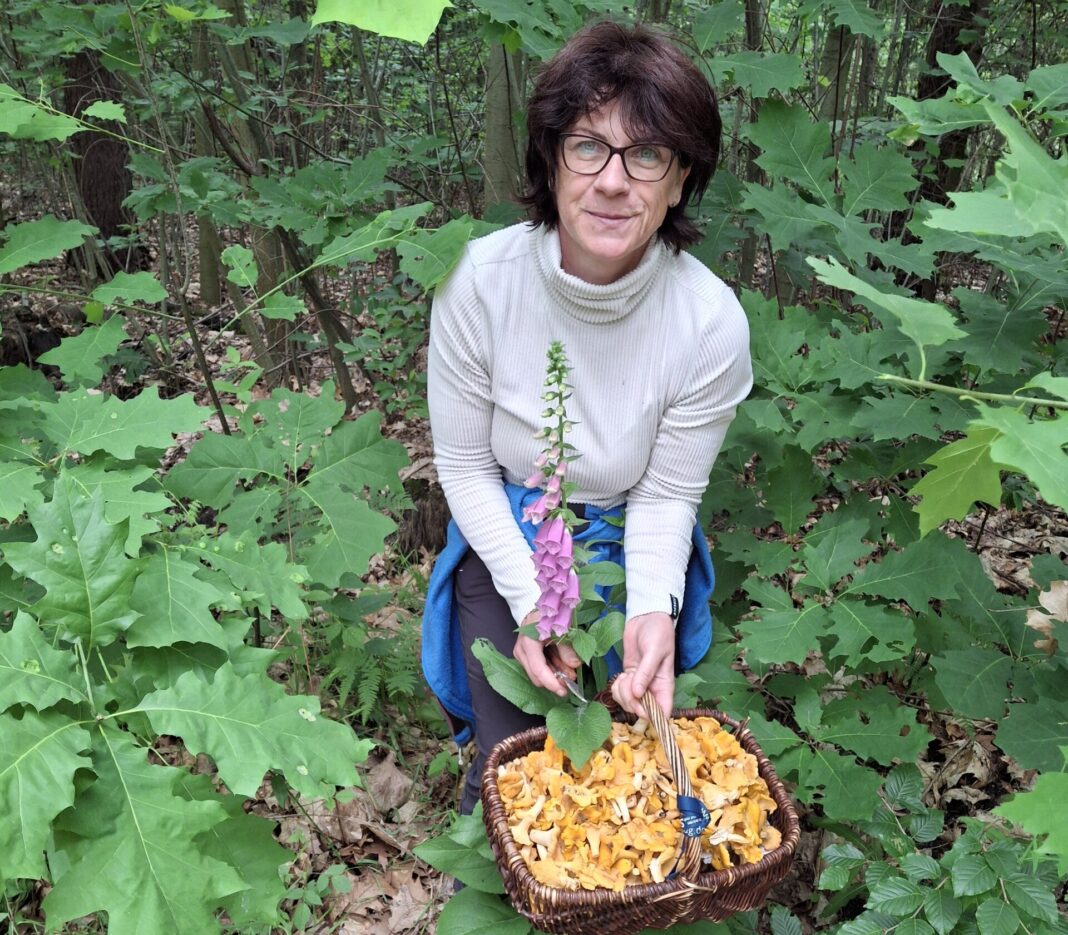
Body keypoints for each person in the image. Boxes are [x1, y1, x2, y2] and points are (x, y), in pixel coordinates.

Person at [421, 20, 752, 817]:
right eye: (587, 146)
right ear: (550, 158)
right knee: (513, 774)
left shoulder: (710, 322)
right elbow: (465, 466)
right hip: (512, 530)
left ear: (679, 181)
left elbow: (668, 496)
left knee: (633, 769)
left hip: (635, 535)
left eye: (648, 155)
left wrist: (649, 614)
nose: (613, 180)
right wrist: (534, 604)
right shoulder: (478, 283)